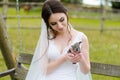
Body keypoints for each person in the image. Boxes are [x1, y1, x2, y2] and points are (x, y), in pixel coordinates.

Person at [25, 0, 92, 80]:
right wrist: (64, 58)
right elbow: (44, 70)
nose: (60, 26)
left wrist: (81, 59)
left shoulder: (81, 37)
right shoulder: (47, 37)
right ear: (48, 24)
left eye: (62, 20)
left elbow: (86, 71)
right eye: (53, 23)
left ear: (66, 14)